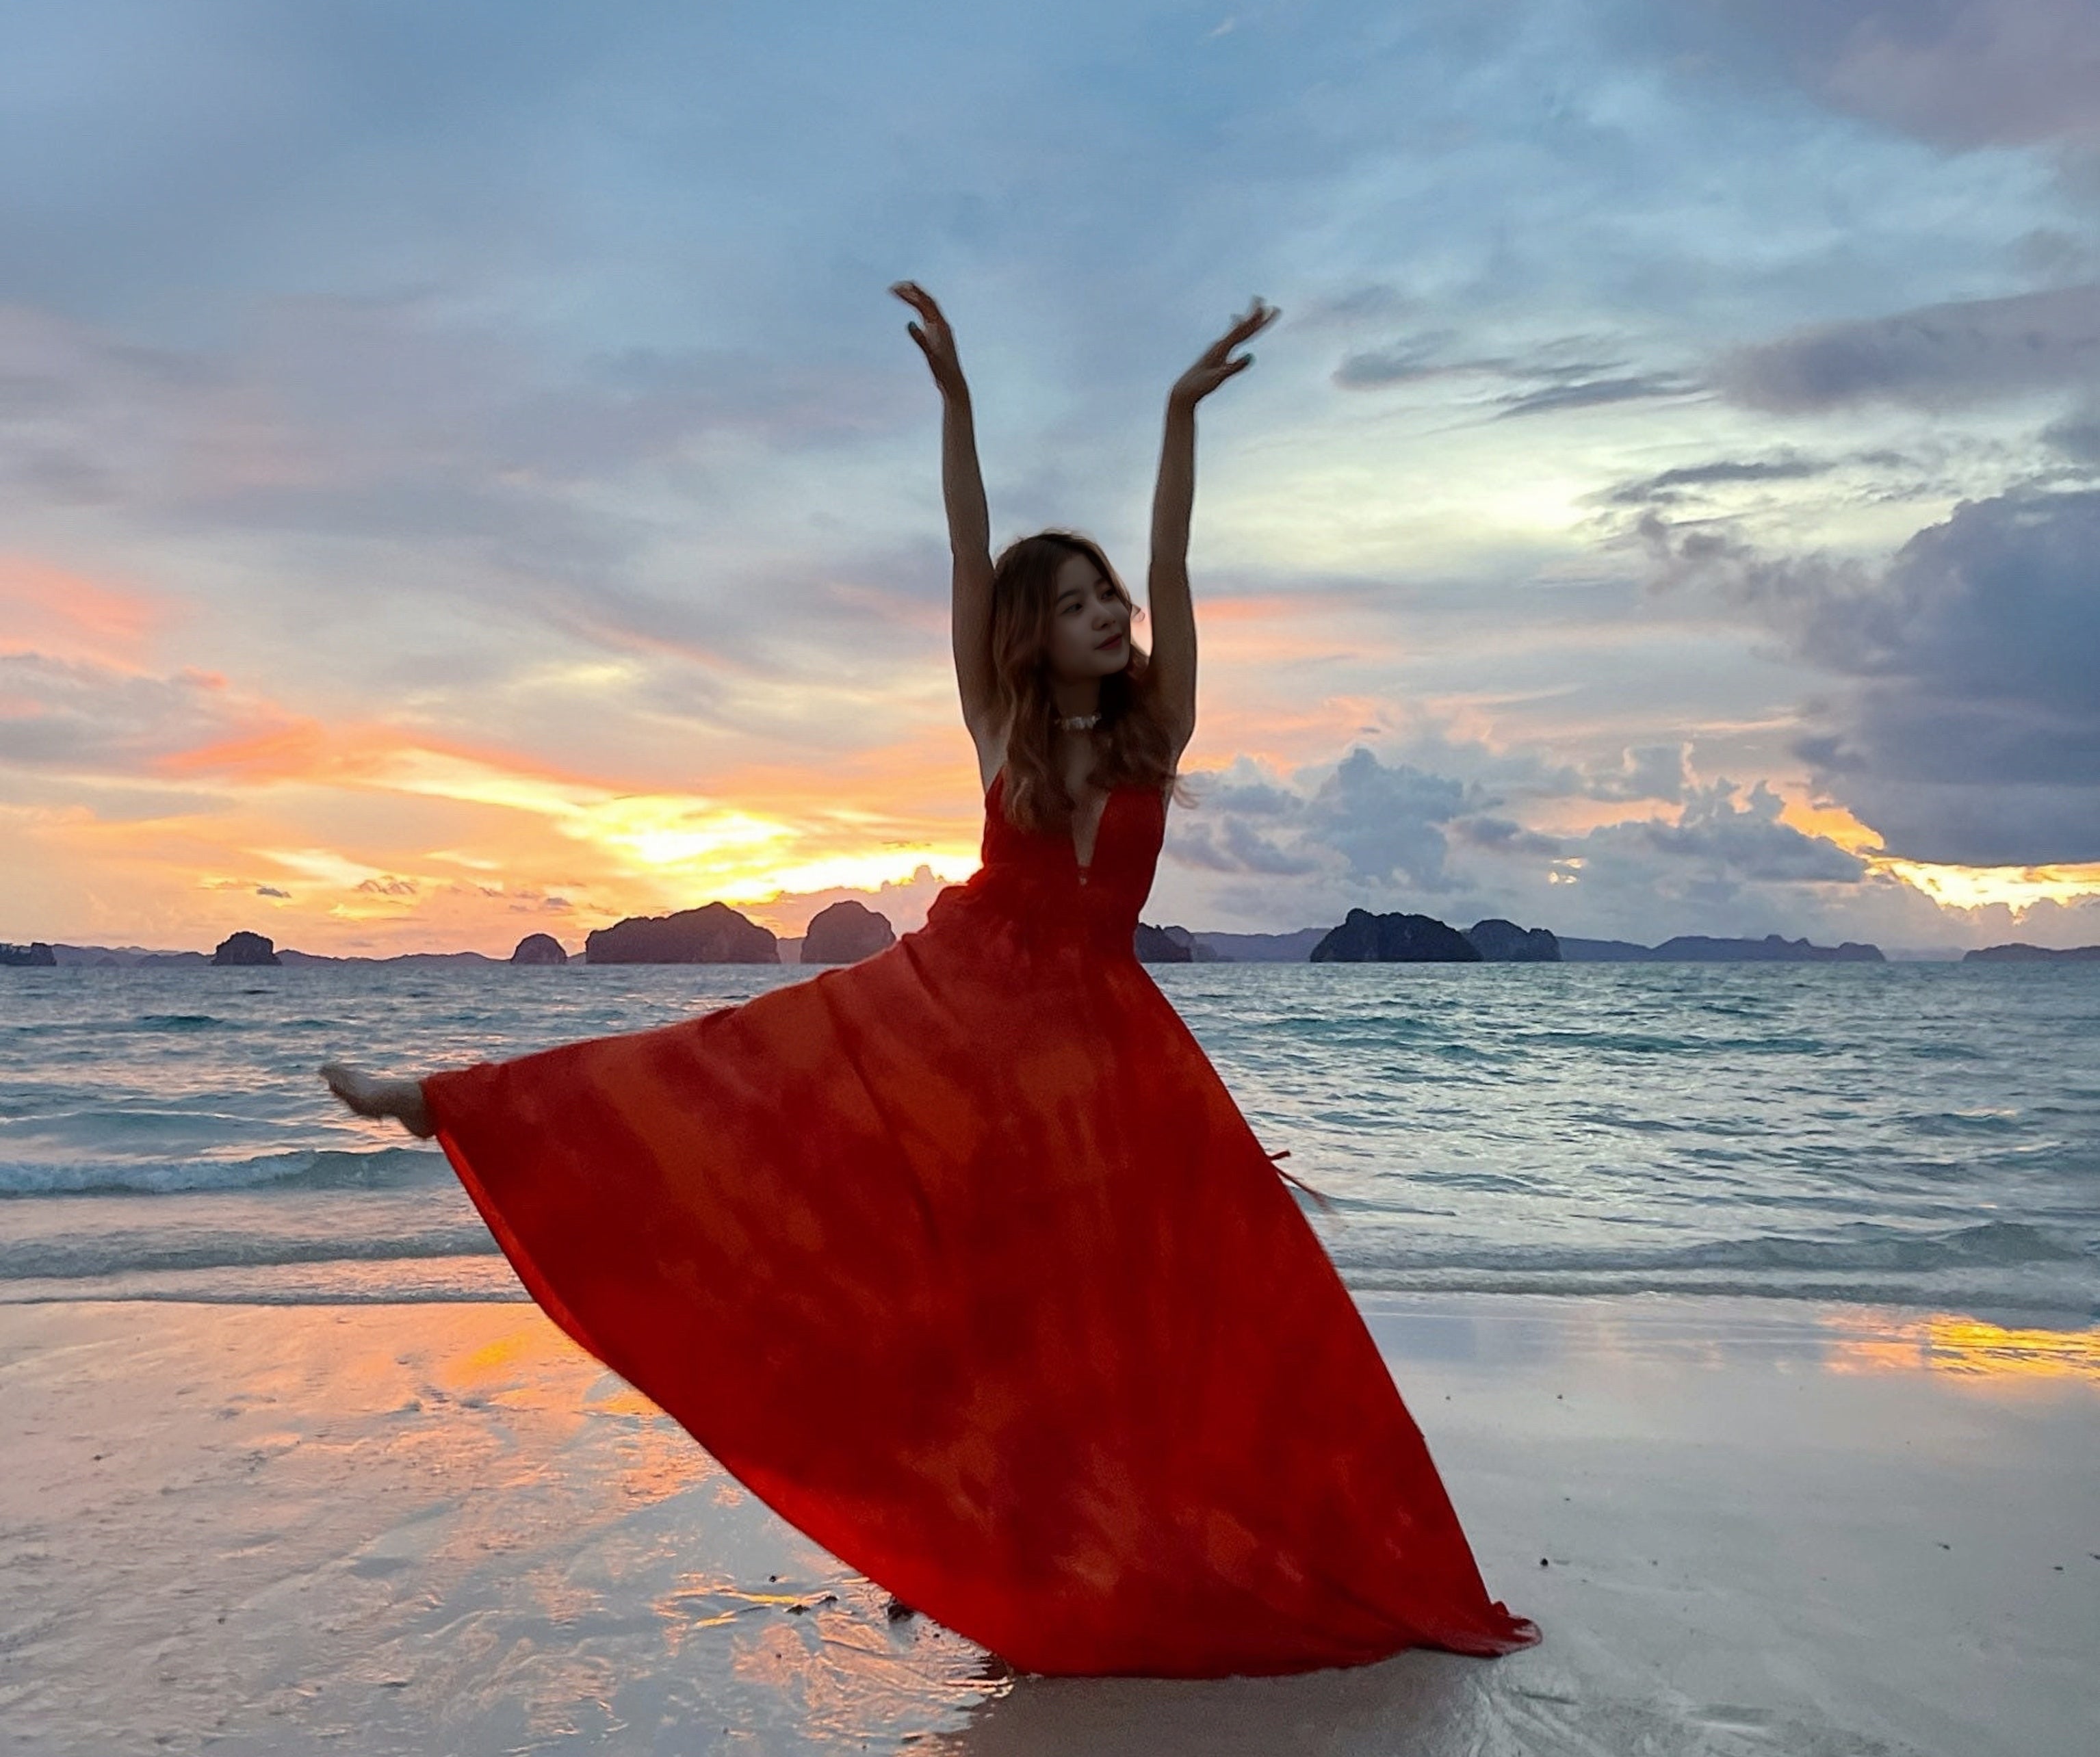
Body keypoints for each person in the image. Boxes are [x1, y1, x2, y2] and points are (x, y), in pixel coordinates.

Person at [322, 285, 1535, 1675]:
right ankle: (459, 1103)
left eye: (1107, 599)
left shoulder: (1156, 733)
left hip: (1106, 1061)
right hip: (960, 1017)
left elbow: (1177, 561)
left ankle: (1069, 1571)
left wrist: (1175, 418)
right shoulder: (996, 725)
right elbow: (963, 547)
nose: (1108, 613)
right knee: (737, 1077)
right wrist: (955, 405)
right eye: (1075, 602)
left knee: (1172, 1321)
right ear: (1032, 630)